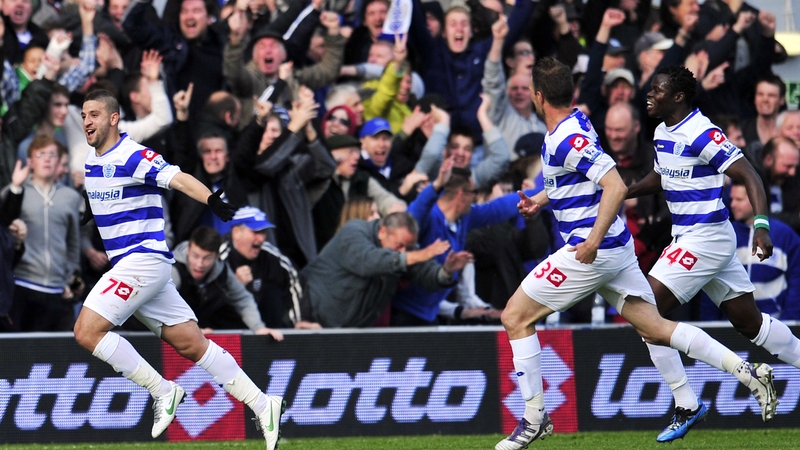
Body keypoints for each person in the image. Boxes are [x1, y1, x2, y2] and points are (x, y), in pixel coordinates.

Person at [496, 58, 776, 450]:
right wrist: (542, 199)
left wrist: (592, 241)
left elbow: (611, 184)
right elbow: (579, 176)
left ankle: (533, 418)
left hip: (593, 250)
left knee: (514, 316)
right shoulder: (575, 123)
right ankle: (744, 373)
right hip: (619, 248)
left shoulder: (564, 137)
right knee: (656, 327)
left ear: (539, 98)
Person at [72, 90, 285, 450]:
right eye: (83, 115)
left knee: (86, 331)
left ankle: (163, 391)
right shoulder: (93, 160)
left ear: (113, 118)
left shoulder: (133, 154)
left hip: (143, 260)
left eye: (94, 114)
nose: (87, 121)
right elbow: (105, 193)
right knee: (192, 344)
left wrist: (212, 200)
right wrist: (91, 210)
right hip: (137, 268)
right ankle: (264, 404)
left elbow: (178, 177)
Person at [626, 65, 800, 442]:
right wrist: (623, 192)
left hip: (702, 238)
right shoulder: (661, 131)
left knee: (644, 310)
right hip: (701, 238)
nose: (649, 94)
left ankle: (688, 402)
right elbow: (663, 176)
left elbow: (749, 175)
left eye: (657, 89)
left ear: (678, 97)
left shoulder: (702, 132)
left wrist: (761, 225)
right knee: (750, 325)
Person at [302, 211, 471, 328]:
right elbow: (370, 261)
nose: (404, 252)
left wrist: (446, 271)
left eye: (408, 247)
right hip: (314, 322)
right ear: (383, 232)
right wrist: (418, 255)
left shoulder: (403, 252)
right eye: (399, 246)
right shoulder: (354, 232)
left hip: (353, 333)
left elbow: (423, 272)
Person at [700, 182, 800, 321]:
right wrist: (711, 324)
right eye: (732, 199)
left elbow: (797, 283)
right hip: (729, 328)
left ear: (756, 199)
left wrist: (789, 321)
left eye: (739, 200)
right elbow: (710, 283)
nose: (733, 204)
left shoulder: (786, 236)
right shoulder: (723, 235)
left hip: (775, 324)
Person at [11, 136, 82, 332]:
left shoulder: (71, 197)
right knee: (22, 353)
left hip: (57, 289)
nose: (47, 159)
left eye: (52, 154)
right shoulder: (15, 193)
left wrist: (71, 279)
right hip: (23, 284)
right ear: (31, 162)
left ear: (59, 160)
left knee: (56, 353)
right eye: (41, 154)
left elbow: (74, 245)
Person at [172, 226, 285, 337]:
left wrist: (258, 328)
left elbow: (243, 299)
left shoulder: (222, 271)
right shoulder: (173, 270)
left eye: (207, 258)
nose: (199, 264)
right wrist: (189, 329)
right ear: (188, 251)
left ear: (216, 256)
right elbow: (162, 306)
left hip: (201, 332)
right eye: (195, 256)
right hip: (166, 334)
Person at [220, 206, 320, 330]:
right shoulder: (219, 257)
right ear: (236, 233)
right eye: (256, 232)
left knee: (273, 292)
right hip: (227, 334)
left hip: (267, 333)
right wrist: (233, 284)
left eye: (263, 232)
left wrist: (299, 320)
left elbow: (295, 280)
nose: (261, 239)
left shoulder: (271, 255)